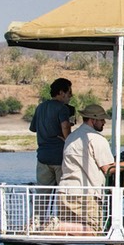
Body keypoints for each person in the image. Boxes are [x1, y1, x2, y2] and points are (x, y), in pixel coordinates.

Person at [56, 104, 124, 232]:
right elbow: (108, 169)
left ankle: (52, 225)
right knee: (93, 229)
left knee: (69, 229)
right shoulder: (97, 139)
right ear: (93, 120)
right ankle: (52, 225)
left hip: (65, 190)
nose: (104, 122)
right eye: (101, 119)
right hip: (86, 194)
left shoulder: (71, 137)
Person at [28, 78, 72, 226]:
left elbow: (33, 128)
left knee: (43, 193)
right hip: (59, 157)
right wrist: (68, 139)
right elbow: (65, 126)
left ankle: (37, 222)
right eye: (69, 92)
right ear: (61, 93)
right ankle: (61, 223)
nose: (70, 96)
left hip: (42, 157)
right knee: (63, 193)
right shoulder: (62, 109)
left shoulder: (40, 107)